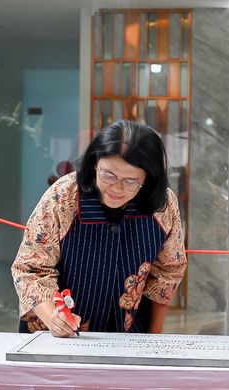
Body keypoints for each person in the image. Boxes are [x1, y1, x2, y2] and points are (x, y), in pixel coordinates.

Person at [12, 120, 186, 337]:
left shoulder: (163, 204)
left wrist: (152, 339)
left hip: (129, 334)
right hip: (55, 334)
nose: (117, 188)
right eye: (108, 175)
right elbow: (31, 269)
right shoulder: (64, 195)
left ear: (148, 178)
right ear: (95, 162)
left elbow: (167, 273)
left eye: (131, 181)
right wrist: (52, 318)